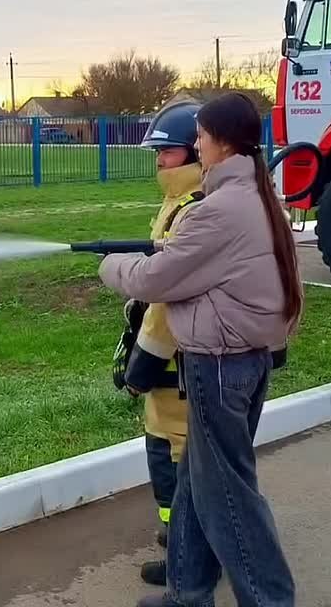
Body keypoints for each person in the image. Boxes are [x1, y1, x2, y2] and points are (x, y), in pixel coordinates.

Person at [99, 93, 301, 607]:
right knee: (194, 480)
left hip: (218, 365)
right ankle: (187, 594)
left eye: (201, 137)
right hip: (246, 359)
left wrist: (112, 265)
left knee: (229, 494)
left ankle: (271, 600)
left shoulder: (219, 210)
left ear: (223, 141)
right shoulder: (258, 195)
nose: (195, 145)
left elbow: (157, 279)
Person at [116, 102, 204, 587]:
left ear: (194, 150)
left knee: (173, 455)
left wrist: (142, 365)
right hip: (179, 369)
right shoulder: (180, 201)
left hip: (180, 368)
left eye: (167, 152)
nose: (159, 162)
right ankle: (186, 549)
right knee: (169, 451)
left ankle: (186, 560)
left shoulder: (193, 207)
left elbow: (170, 303)